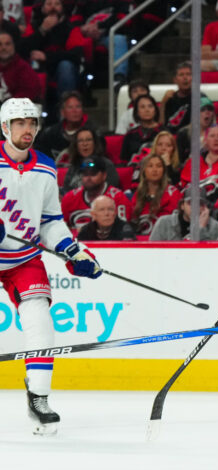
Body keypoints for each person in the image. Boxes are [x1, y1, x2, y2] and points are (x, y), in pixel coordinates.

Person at [0, 97, 101, 435]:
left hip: (22, 261)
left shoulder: (45, 166)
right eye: (20, 124)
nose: (28, 130)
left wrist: (73, 251)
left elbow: (51, 221)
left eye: (32, 123)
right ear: (5, 128)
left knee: (40, 322)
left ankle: (38, 397)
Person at [61, 155, 133, 233]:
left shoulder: (118, 197)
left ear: (104, 175)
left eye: (93, 174)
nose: (88, 178)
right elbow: (60, 227)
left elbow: (123, 230)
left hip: (109, 243)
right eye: (85, 174)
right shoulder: (70, 198)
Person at [180, 126, 218, 202]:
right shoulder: (194, 162)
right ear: (206, 139)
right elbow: (185, 187)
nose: (216, 139)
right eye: (212, 136)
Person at [36, 91, 93, 164]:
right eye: (70, 107)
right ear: (62, 112)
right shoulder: (50, 134)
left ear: (82, 111)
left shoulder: (91, 132)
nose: (74, 111)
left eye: (78, 107)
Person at [131, 153, 182, 236]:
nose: (155, 170)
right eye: (150, 166)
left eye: (159, 166)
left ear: (164, 171)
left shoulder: (173, 193)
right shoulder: (138, 194)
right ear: (144, 171)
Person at [60, 127, 120, 195]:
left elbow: (111, 191)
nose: (85, 144)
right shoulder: (73, 167)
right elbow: (67, 192)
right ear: (76, 145)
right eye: (80, 141)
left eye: (88, 140)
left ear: (95, 143)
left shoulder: (106, 165)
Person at [150, 187, 218, 241]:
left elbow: (211, 256)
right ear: (182, 206)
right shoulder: (164, 223)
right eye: (190, 203)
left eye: (199, 204)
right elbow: (151, 252)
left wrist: (201, 229)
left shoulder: (215, 227)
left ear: (205, 207)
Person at [120, 94, 164, 165]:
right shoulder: (130, 135)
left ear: (155, 110)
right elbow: (124, 161)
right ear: (137, 112)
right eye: (142, 107)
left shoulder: (163, 133)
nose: (147, 110)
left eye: (150, 106)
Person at [0, 30, 42, 103]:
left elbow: (31, 91)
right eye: (0, 44)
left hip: (16, 110)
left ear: (13, 46)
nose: (4, 48)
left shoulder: (23, 68)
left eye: (7, 44)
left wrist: (9, 103)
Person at [176, 96, 218, 164]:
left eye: (210, 109)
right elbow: (179, 161)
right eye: (202, 109)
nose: (207, 112)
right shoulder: (183, 134)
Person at [160, 61, 194, 134]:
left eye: (188, 74)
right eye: (181, 75)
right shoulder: (169, 99)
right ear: (175, 80)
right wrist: (163, 103)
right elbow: (160, 126)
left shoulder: (199, 98)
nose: (185, 78)